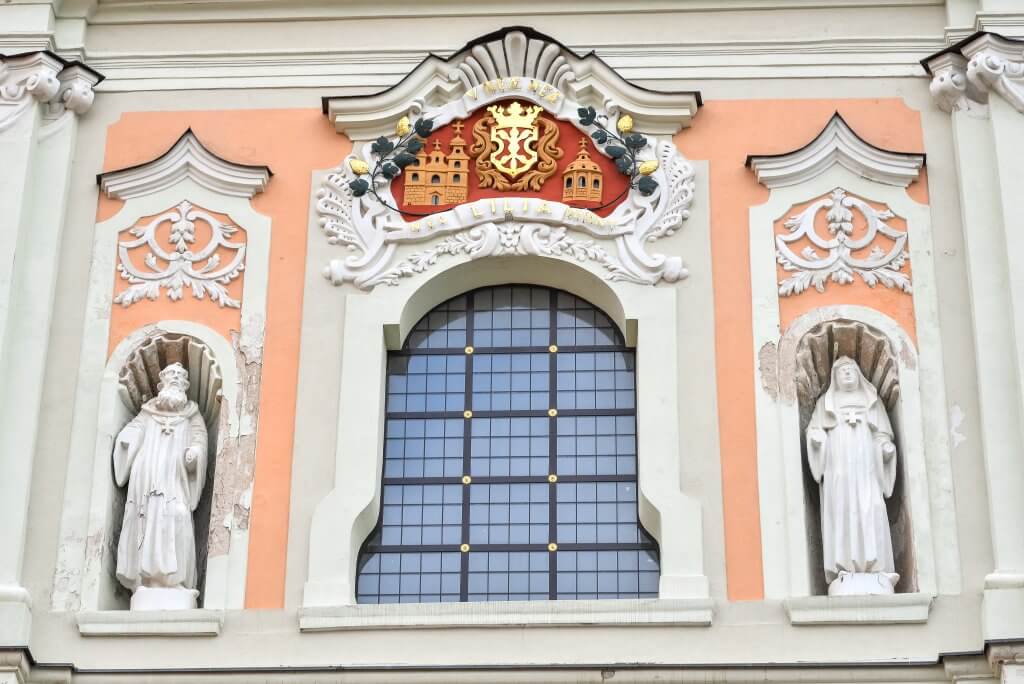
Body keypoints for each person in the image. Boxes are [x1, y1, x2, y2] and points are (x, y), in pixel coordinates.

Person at [113, 362, 207, 608]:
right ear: (160, 384)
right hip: (148, 476)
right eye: (171, 376)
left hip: (175, 479)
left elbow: (200, 438)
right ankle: (145, 581)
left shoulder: (192, 414)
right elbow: (134, 430)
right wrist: (127, 439)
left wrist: (195, 453)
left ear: (186, 385)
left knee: (176, 517)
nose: (175, 380)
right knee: (148, 520)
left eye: (180, 378)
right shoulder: (147, 412)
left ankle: (177, 582)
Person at [807, 356, 899, 595]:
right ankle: (844, 568)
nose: (847, 373)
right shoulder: (825, 403)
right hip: (838, 465)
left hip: (867, 465)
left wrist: (884, 447)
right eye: (842, 371)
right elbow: (815, 431)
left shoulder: (872, 402)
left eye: (851, 369)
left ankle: (876, 568)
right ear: (835, 378)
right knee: (842, 509)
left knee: (871, 507)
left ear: (859, 374)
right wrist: (818, 440)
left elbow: (882, 434)